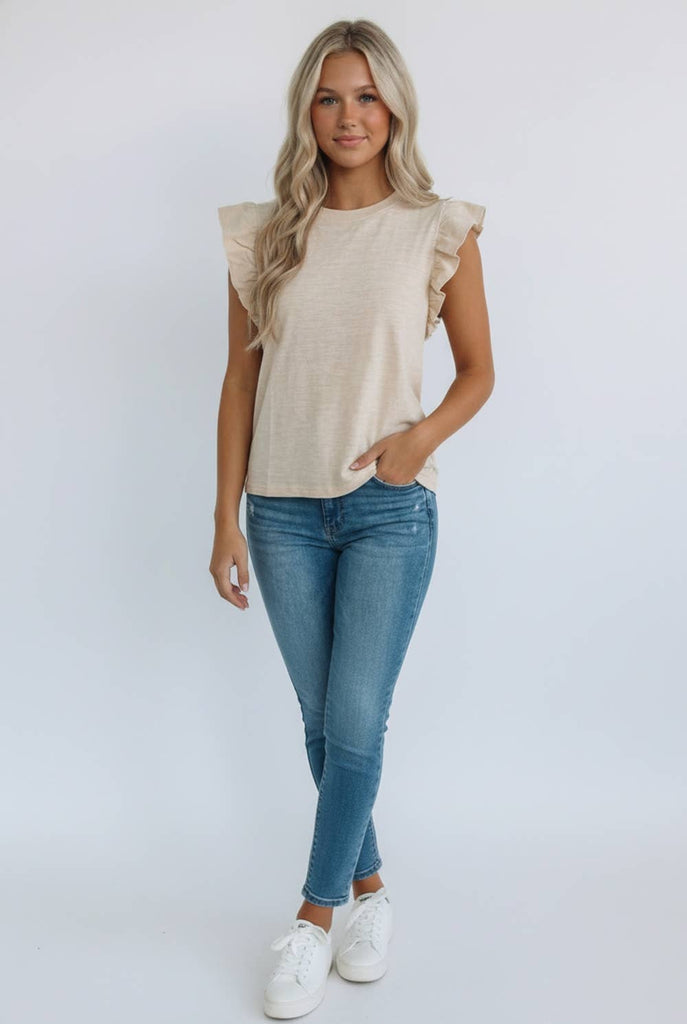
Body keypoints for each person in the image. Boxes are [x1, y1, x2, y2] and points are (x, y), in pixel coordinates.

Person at [210, 18, 494, 1020]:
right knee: (324, 723)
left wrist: (419, 443)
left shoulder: (436, 227)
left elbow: (478, 372)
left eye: (366, 96)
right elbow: (238, 385)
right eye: (328, 98)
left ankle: (313, 917)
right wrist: (224, 517)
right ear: (306, 112)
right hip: (281, 514)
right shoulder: (266, 235)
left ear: (395, 108)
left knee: (357, 717)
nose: (347, 116)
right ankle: (371, 890)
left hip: (385, 513)